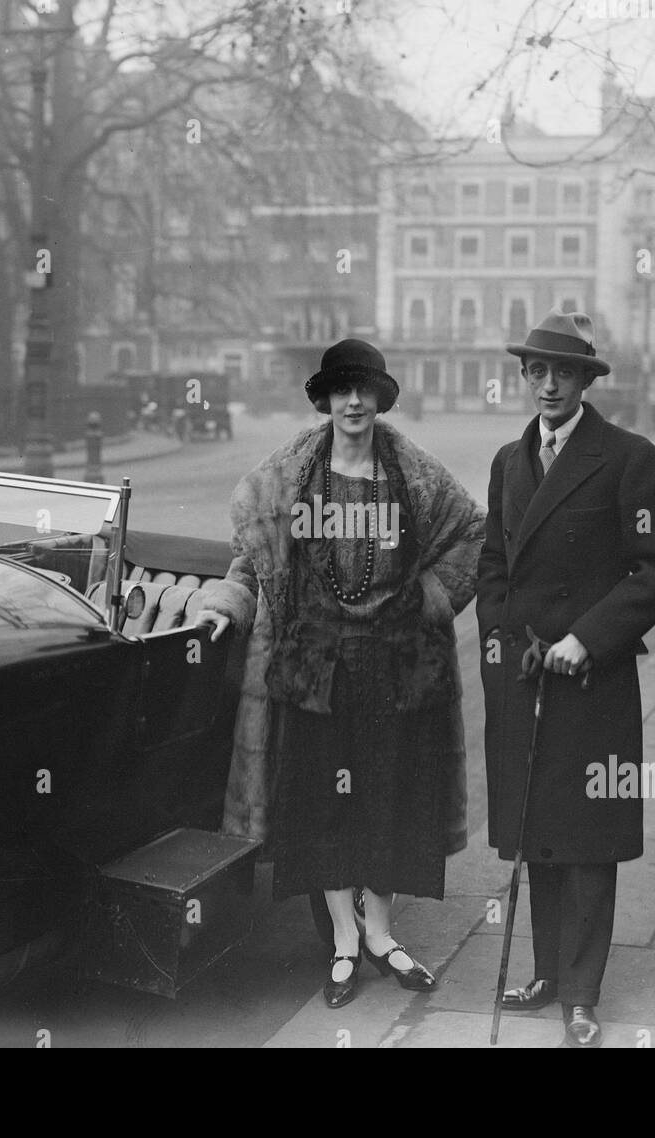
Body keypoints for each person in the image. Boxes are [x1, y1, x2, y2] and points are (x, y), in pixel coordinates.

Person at [194, 338, 486, 1008]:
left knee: (384, 800)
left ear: (380, 400)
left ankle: (381, 936)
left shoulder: (412, 477)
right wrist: (225, 606)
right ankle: (344, 945)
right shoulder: (287, 479)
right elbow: (251, 561)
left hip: (393, 669)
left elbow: (474, 535)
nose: (354, 402)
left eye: (366, 390)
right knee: (324, 806)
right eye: (342, 389)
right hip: (314, 669)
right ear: (325, 399)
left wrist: (429, 602)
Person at [477, 307, 655, 1048]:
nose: (550, 385)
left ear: (586, 381)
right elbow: (492, 565)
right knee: (538, 831)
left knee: (588, 836)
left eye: (565, 373)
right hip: (527, 677)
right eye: (538, 371)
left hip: (591, 679)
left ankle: (583, 994)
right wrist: (504, 643)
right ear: (525, 377)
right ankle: (547, 973)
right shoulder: (509, 461)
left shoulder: (628, 457)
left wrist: (585, 640)